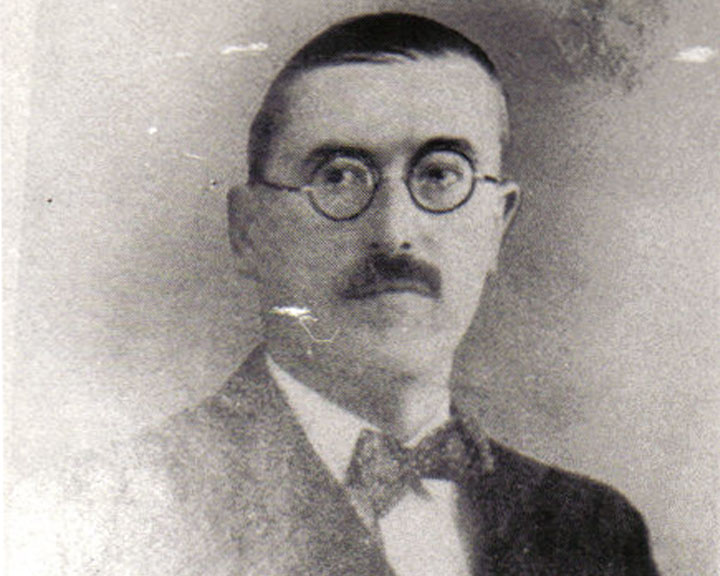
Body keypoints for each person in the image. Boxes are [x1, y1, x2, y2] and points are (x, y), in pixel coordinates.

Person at [8, 12, 659, 576]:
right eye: (340, 178)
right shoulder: (97, 512)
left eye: (441, 175)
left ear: (497, 224)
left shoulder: (594, 530)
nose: (395, 234)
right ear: (249, 230)